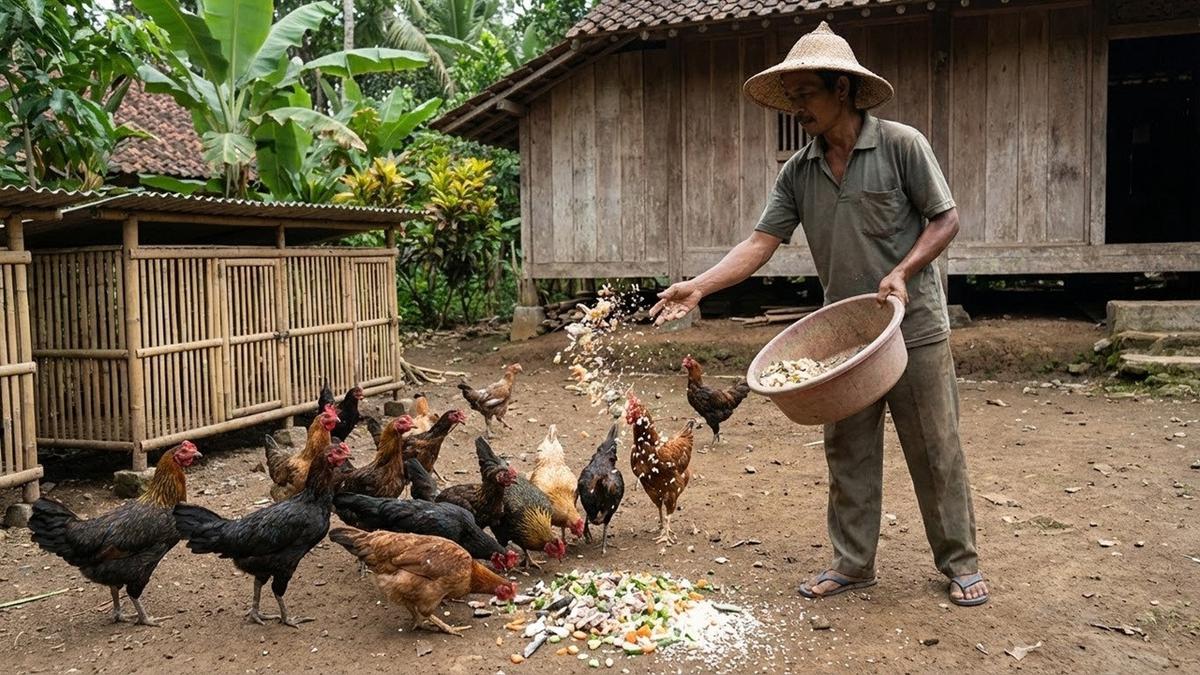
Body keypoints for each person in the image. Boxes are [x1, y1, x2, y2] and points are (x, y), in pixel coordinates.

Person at [650, 22, 988, 606]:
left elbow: (945, 219)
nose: (797, 107)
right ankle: (854, 564)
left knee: (935, 447)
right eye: (791, 96)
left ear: (843, 90)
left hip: (915, 326)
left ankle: (959, 562)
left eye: (806, 93)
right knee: (848, 450)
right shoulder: (798, 172)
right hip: (843, 339)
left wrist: (903, 272)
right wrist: (699, 287)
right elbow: (760, 243)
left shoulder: (902, 145)